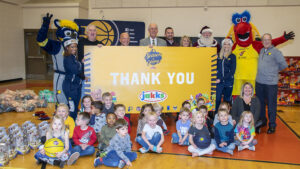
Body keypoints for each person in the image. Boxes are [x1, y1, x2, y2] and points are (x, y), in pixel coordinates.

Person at [255, 33, 288, 134]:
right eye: (264, 40)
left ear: (271, 40)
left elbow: (284, 65)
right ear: (262, 41)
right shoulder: (261, 50)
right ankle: (263, 122)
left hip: (270, 84)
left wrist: (273, 72)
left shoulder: (276, 52)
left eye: (268, 39)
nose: (266, 41)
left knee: (271, 106)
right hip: (259, 82)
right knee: (260, 104)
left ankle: (272, 125)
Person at [62, 39, 83, 120]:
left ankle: (73, 124)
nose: (74, 48)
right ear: (67, 48)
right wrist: (84, 76)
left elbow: (77, 70)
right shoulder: (68, 58)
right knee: (72, 108)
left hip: (76, 86)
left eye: (75, 47)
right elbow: (75, 70)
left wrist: (81, 63)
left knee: (75, 107)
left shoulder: (74, 58)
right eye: (72, 47)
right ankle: (71, 126)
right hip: (70, 87)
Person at [216, 39, 236, 111]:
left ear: (231, 46)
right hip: (219, 83)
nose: (226, 46)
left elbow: (232, 71)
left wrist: (221, 79)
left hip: (228, 82)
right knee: (217, 100)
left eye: (228, 44)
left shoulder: (232, 56)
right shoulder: (218, 55)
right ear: (222, 45)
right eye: (225, 44)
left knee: (227, 101)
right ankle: (216, 115)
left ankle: (227, 116)